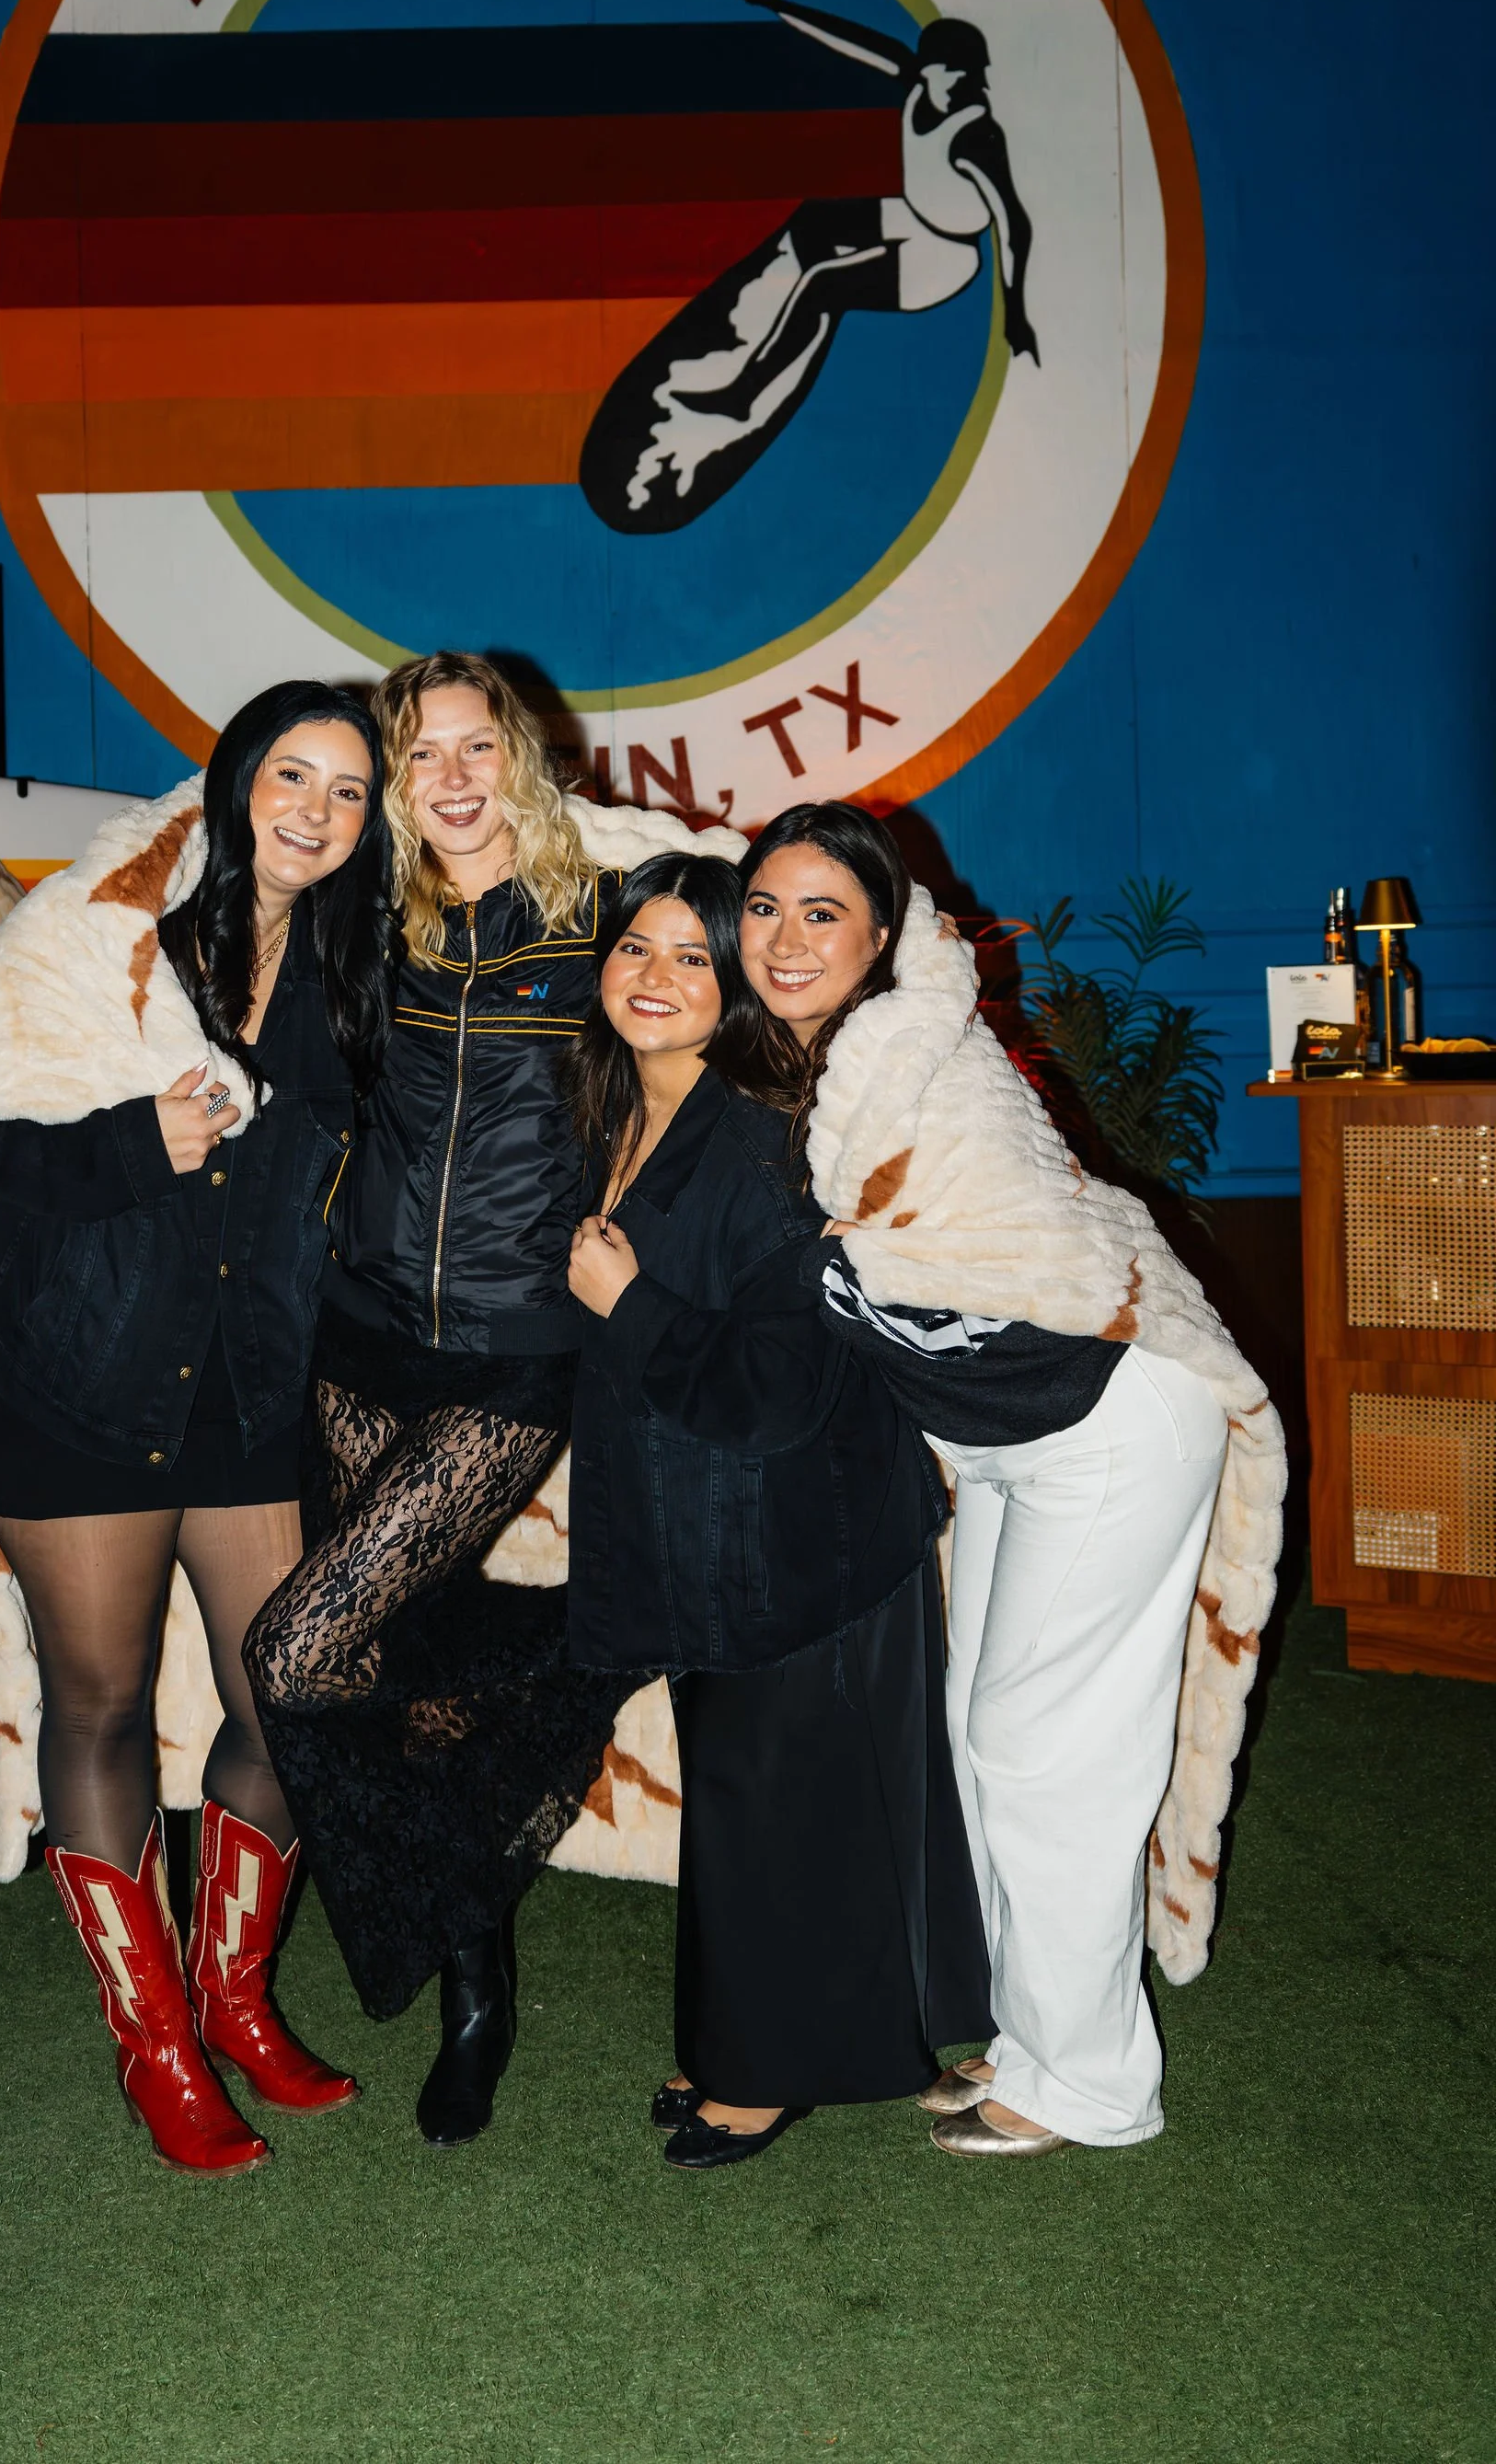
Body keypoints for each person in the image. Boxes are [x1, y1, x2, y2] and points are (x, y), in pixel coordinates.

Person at [0, 682, 394, 2177]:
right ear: (235, 774)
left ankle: (235, 2001)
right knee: (102, 1707)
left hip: (245, 1385)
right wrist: (134, 1139)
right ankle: (156, 2046)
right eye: (294, 772)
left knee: (287, 1701)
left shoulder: (351, 966)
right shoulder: (96, 927)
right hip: (76, 1378)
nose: (316, 807)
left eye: (348, 787)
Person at [738, 801, 1246, 2159]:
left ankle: (1094, 2087)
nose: (786, 941)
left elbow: (937, 1240)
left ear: (884, 935)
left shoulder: (920, 1057)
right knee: (989, 1743)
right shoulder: (805, 1066)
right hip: (1015, 1440)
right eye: (764, 909)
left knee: (1045, 1753)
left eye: (823, 912)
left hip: (1109, 1420)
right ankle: (1036, 2040)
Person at [245, 651, 639, 2148]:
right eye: (422, 755)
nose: (456, 774)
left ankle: (567, 1661)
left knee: (298, 1641)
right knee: (385, 1664)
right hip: (355, 1332)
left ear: (523, 763)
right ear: (393, 784)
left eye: (482, 747)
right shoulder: (364, 923)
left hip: (510, 1348)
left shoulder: (602, 917)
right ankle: (478, 1968)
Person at [562, 855, 989, 2170]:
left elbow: (782, 1384)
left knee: (787, 1800)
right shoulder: (617, 1115)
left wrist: (626, 1305)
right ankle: (777, 2032)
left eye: (694, 955)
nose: (658, 977)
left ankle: (769, 2067)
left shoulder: (769, 1134)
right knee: (756, 1794)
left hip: (804, 1520)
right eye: (637, 948)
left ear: (737, 983)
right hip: (710, 1526)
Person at [581, 0, 1036, 533]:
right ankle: (772, 317)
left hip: (943, 257)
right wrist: (770, 1)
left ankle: (742, 395)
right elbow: (847, 39)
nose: (947, 84)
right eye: (940, 73)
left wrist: (1015, 309)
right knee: (818, 218)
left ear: (970, 76)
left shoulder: (976, 135)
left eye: (960, 77)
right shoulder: (920, 83)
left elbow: (1014, 222)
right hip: (909, 217)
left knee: (826, 286)